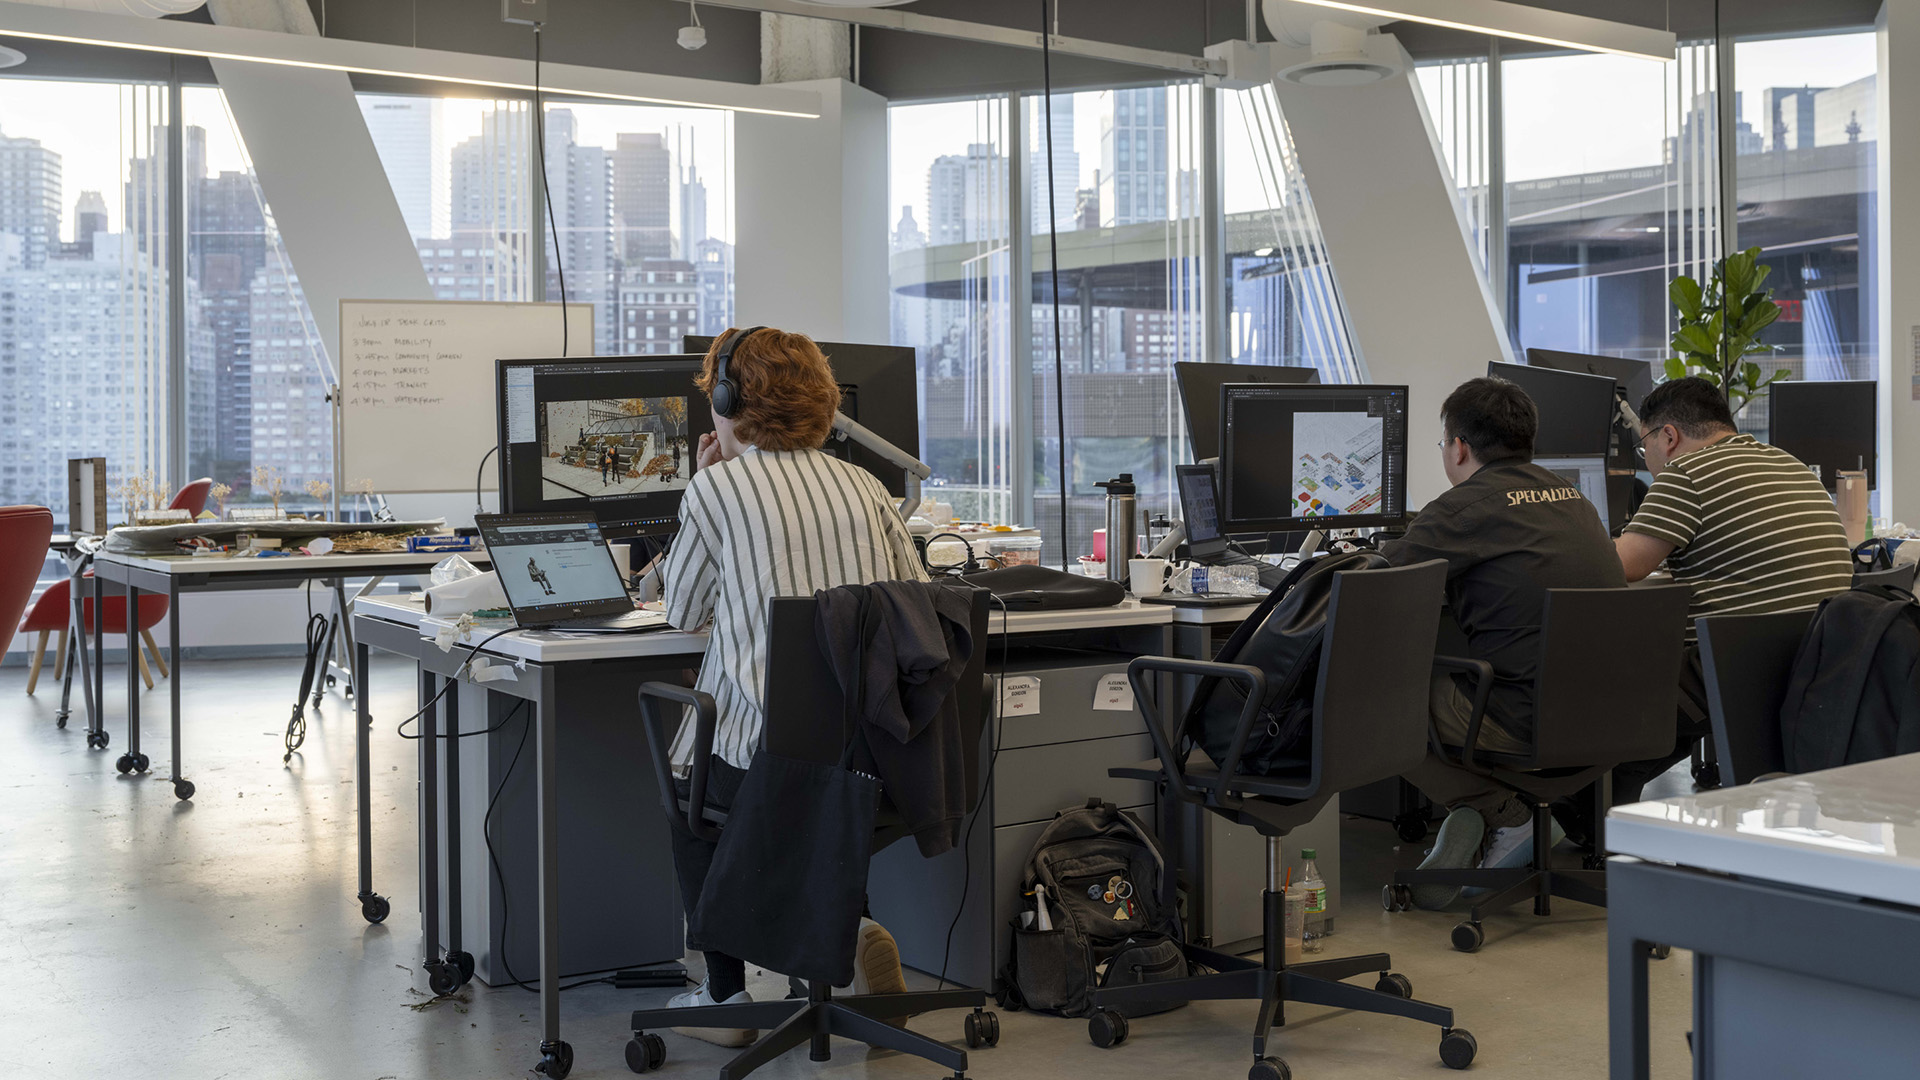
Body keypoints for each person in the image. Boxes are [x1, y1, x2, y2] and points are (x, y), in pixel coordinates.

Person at [657, 326, 927, 1046]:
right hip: (872, 758)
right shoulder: (867, 486)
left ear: (726, 399)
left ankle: (724, 1000)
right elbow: (917, 604)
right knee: (829, 789)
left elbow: (681, 614)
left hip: (763, 767)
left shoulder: (718, 489)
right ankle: (851, 927)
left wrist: (703, 482)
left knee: (684, 785)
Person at [1379, 377, 1625, 910]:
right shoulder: (1577, 500)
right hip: (1609, 713)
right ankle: (1495, 817)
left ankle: (1497, 812)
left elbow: (1376, 580)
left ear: (1460, 447)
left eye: (1444, 443)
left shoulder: (1462, 508)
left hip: (1519, 716)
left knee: (1368, 693)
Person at [1607, 375, 1853, 803]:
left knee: (1601, 676)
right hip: (1814, 659)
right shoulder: (1788, 462)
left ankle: (1582, 816)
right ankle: (1602, 808)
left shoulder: (1686, 473)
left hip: (1736, 668)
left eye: (1643, 443)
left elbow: (1622, 565)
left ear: (1668, 436)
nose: (1646, 457)